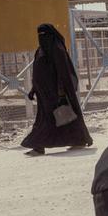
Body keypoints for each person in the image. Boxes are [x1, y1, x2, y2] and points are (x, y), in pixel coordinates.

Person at [21, 23, 92, 156]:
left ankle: (39, 146)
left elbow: (63, 72)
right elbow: (38, 73)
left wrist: (61, 92)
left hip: (56, 94)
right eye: (39, 35)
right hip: (44, 95)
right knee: (60, 120)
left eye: (44, 34)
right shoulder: (40, 50)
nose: (41, 37)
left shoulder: (57, 49)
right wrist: (33, 89)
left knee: (54, 119)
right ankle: (79, 140)